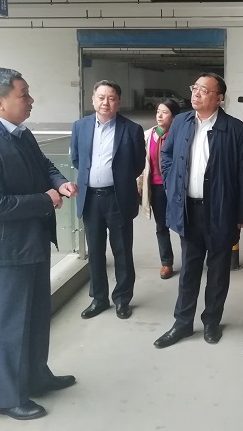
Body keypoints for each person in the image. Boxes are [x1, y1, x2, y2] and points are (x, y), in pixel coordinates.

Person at [0, 68, 78, 421]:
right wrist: (46, 199)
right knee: (9, 324)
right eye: (23, 94)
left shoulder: (20, 133)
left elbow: (44, 166)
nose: (31, 100)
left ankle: (36, 376)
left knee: (37, 316)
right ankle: (7, 397)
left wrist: (59, 183)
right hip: (6, 249)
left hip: (32, 241)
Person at [153, 72, 243, 348]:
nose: (196, 94)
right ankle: (182, 323)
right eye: (195, 88)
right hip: (189, 209)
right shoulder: (181, 122)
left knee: (219, 270)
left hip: (221, 211)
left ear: (219, 98)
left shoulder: (236, 130)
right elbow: (166, 154)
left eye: (204, 90)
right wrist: (172, 180)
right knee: (189, 269)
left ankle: (211, 321)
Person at [71, 80, 145, 320]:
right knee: (95, 251)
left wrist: (118, 180)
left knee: (122, 250)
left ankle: (122, 299)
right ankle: (99, 298)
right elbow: (77, 160)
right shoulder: (80, 127)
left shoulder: (132, 129)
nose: (105, 102)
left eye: (111, 98)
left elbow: (138, 164)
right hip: (90, 199)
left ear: (118, 102)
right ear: (93, 100)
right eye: (101, 97)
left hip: (118, 198)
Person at [138, 98, 181, 279]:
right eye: (158, 112)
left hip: (177, 188)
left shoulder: (180, 135)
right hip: (156, 187)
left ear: (174, 116)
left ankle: (191, 259)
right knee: (161, 226)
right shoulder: (148, 135)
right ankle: (166, 263)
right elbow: (141, 163)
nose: (160, 116)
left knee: (184, 224)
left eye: (165, 112)